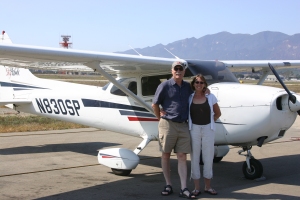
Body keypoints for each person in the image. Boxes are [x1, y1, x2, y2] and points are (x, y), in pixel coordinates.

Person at [152, 61, 196, 199]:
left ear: (184, 72)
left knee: (182, 156)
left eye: (180, 69)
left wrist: (207, 90)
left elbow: (198, 92)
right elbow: (155, 103)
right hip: (168, 124)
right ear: (172, 71)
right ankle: (168, 184)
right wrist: (160, 117)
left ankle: (184, 188)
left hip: (183, 125)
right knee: (166, 154)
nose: (178, 71)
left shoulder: (188, 87)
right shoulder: (164, 85)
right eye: (176, 69)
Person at [188, 74, 221, 196]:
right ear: (193, 84)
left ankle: (208, 186)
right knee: (194, 157)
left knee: (208, 157)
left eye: (201, 82)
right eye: (197, 82)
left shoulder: (210, 97)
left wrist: (211, 121)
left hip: (208, 129)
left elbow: (218, 113)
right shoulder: (189, 97)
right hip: (194, 129)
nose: (199, 84)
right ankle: (196, 188)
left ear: (204, 85)